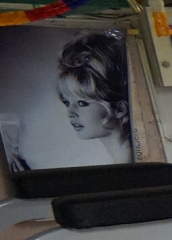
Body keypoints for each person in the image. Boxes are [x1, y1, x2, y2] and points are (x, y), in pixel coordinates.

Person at [53, 31, 132, 164]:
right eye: (67, 102)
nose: (70, 113)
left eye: (82, 103)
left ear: (119, 109)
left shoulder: (128, 161)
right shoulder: (122, 158)